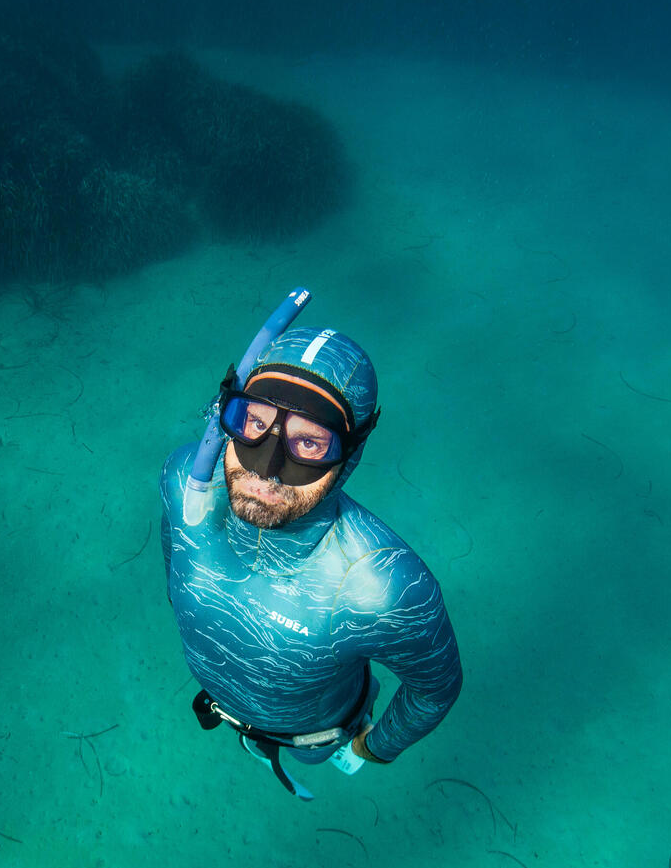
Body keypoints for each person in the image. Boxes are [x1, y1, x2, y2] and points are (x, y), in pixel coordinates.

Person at [160, 323, 463, 799]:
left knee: (313, 756)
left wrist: (375, 747)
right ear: (228, 411)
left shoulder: (379, 586)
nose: (266, 466)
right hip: (221, 697)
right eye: (254, 422)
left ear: (352, 454)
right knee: (258, 744)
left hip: (317, 734)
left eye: (310, 443)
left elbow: (435, 689)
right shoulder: (184, 482)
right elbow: (173, 557)